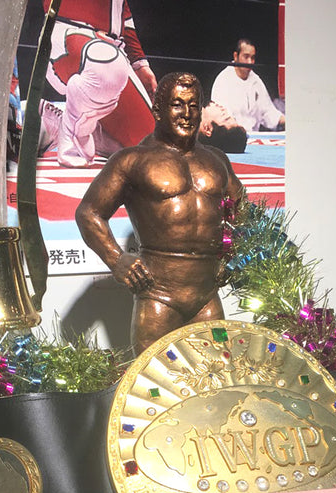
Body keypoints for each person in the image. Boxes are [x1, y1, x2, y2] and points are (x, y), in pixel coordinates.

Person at [76, 72, 245, 352]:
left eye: (193, 105)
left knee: (216, 382)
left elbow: (243, 211)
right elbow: (89, 213)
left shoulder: (216, 160)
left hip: (207, 295)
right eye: (178, 104)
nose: (187, 114)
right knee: (150, 384)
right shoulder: (132, 160)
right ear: (158, 110)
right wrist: (117, 260)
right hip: (158, 294)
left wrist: (233, 255)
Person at [40, 0, 156, 167]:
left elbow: (124, 13)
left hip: (111, 50)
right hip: (68, 33)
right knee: (108, 64)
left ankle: (68, 124)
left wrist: (139, 62)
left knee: (152, 151)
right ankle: (74, 132)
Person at [210, 38, 285, 133]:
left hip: (254, 139)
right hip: (233, 138)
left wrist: (289, 121)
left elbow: (268, 112)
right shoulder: (223, 80)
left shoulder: (256, 80)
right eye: (246, 57)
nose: (250, 62)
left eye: (252, 58)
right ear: (236, 56)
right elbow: (223, 121)